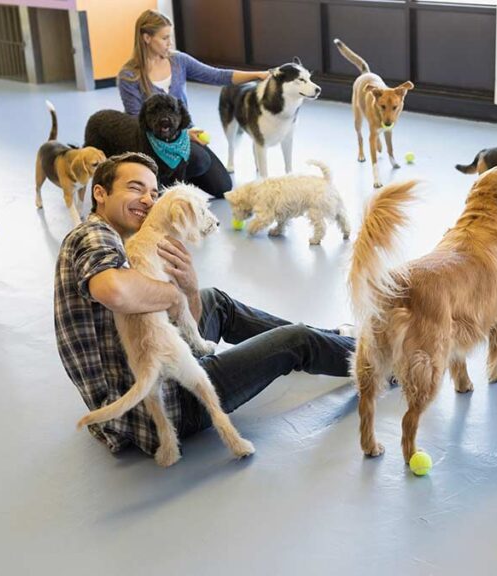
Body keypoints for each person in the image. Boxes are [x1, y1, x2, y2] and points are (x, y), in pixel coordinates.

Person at [55, 152, 355, 457]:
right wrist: (174, 295)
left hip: (162, 359)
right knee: (296, 340)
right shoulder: (93, 235)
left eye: (153, 193)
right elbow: (114, 291)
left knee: (215, 300)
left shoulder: (130, 240)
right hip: (164, 402)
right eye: (135, 188)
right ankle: (371, 357)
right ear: (100, 193)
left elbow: (179, 324)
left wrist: (189, 289)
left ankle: (332, 338)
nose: (147, 200)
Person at [118, 10, 269, 199]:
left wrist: (257, 75)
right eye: (165, 38)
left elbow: (217, 75)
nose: (170, 43)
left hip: (182, 135)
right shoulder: (129, 76)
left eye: (170, 37)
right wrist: (184, 134)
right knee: (199, 159)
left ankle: (174, 178)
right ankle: (164, 182)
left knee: (223, 186)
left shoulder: (178, 61)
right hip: (153, 143)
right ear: (147, 38)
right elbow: (135, 119)